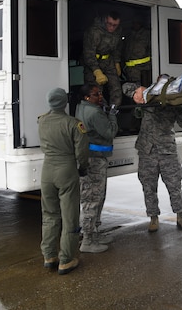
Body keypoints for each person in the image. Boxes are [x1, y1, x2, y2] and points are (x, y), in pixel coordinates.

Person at [125, 84, 182, 232]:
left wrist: (180, 107)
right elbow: (126, 87)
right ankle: (153, 217)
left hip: (167, 150)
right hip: (147, 150)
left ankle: (181, 215)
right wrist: (139, 91)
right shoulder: (148, 98)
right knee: (148, 187)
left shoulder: (174, 104)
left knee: (174, 185)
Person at [38, 87, 90, 275]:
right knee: (69, 217)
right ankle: (66, 259)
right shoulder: (73, 124)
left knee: (49, 215)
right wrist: (83, 167)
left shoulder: (42, 120)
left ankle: (49, 256)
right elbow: (82, 152)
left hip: (47, 171)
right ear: (65, 103)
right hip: (66, 170)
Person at [75, 84, 119, 253]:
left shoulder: (82, 107)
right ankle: (87, 240)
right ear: (87, 97)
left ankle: (94, 233)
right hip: (95, 160)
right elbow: (110, 132)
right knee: (93, 198)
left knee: (96, 197)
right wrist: (112, 116)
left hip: (90, 157)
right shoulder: (95, 112)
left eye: (101, 93)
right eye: (96, 94)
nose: (100, 96)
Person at [83, 11, 123, 106]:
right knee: (96, 92)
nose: (112, 27)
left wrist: (117, 63)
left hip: (108, 62)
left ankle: (114, 113)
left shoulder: (118, 31)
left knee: (116, 88)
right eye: (110, 24)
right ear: (105, 20)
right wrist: (96, 71)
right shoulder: (94, 31)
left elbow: (117, 49)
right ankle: (101, 114)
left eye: (115, 25)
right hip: (93, 62)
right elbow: (88, 53)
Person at [123, 16, 152, 87]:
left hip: (143, 70)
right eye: (134, 23)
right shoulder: (129, 34)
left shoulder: (147, 34)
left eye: (137, 23)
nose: (135, 24)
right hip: (129, 71)